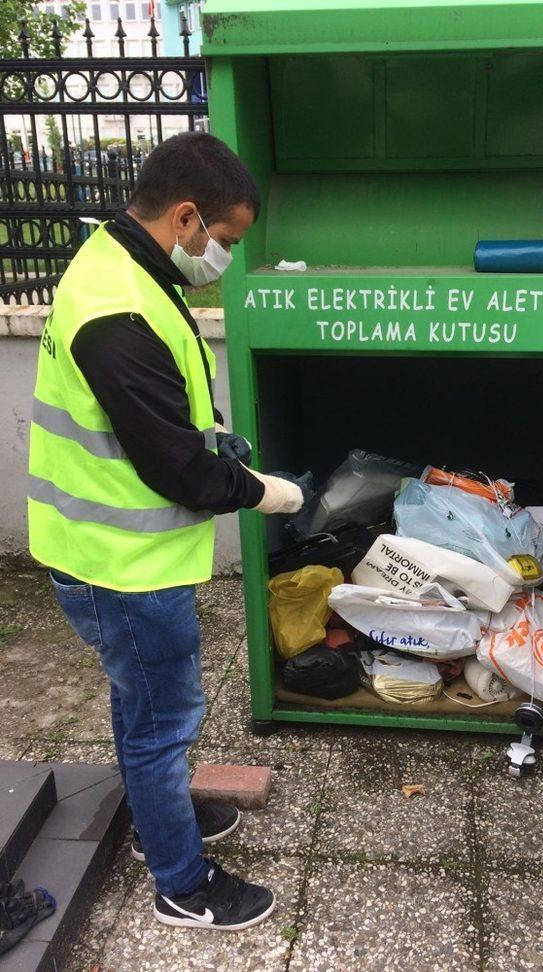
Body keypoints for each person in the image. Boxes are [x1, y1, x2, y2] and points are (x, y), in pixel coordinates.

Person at [27, 132, 310, 932]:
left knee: (142, 706)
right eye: (222, 241)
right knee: (160, 721)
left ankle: (163, 815)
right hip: (120, 567)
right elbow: (177, 473)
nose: (222, 258)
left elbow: (154, 410)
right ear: (186, 217)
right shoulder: (116, 312)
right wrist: (267, 493)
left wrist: (211, 434)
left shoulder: (117, 263)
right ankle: (182, 882)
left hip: (102, 550)